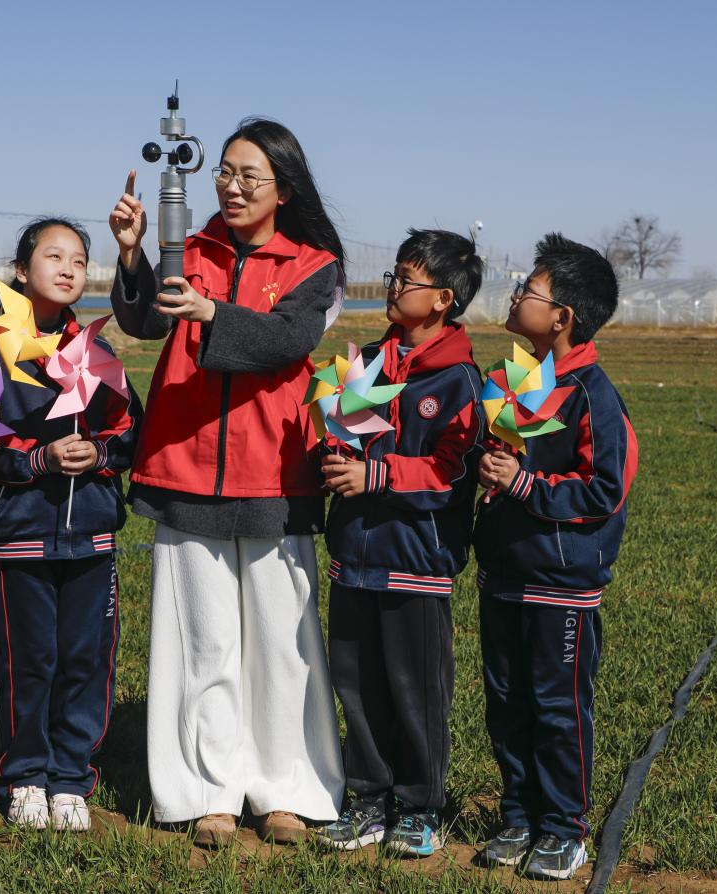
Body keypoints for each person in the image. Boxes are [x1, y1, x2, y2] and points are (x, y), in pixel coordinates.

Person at [108, 117, 346, 846]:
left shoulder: (312, 264)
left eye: (251, 177)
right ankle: (206, 790)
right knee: (201, 640)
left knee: (281, 641)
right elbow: (145, 321)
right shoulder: (193, 248)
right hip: (184, 465)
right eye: (226, 174)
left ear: (284, 188)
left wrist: (212, 310)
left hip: (274, 469)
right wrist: (132, 257)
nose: (233, 188)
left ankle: (285, 789)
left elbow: (287, 341)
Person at [0, 218, 141, 832]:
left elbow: (131, 434)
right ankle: (26, 774)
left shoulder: (98, 354)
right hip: (21, 537)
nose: (68, 268)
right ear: (20, 271)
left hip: (89, 534)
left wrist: (101, 454)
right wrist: (37, 459)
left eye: (80, 260)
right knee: (27, 659)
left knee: (85, 659)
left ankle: (71, 777)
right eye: (53, 256)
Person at [472, 233, 638, 881]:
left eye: (528, 290)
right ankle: (519, 816)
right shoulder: (516, 380)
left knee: (557, 706)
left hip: (560, 584)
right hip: (504, 573)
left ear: (562, 317)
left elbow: (603, 489)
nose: (515, 297)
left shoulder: (591, 393)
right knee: (505, 701)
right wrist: (486, 471)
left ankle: (564, 828)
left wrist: (522, 484)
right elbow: (499, 461)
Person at [316, 229, 484, 857]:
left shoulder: (461, 381)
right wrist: (333, 452)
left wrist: (375, 475)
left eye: (407, 280)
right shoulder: (369, 364)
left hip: (415, 560)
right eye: (394, 274)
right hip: (355, 554)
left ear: (443, 299)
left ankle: (419, 806)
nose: (393, 287)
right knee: (356, 685)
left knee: (415, 690)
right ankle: (367, 800)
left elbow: (452, 471)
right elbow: (343, 434)